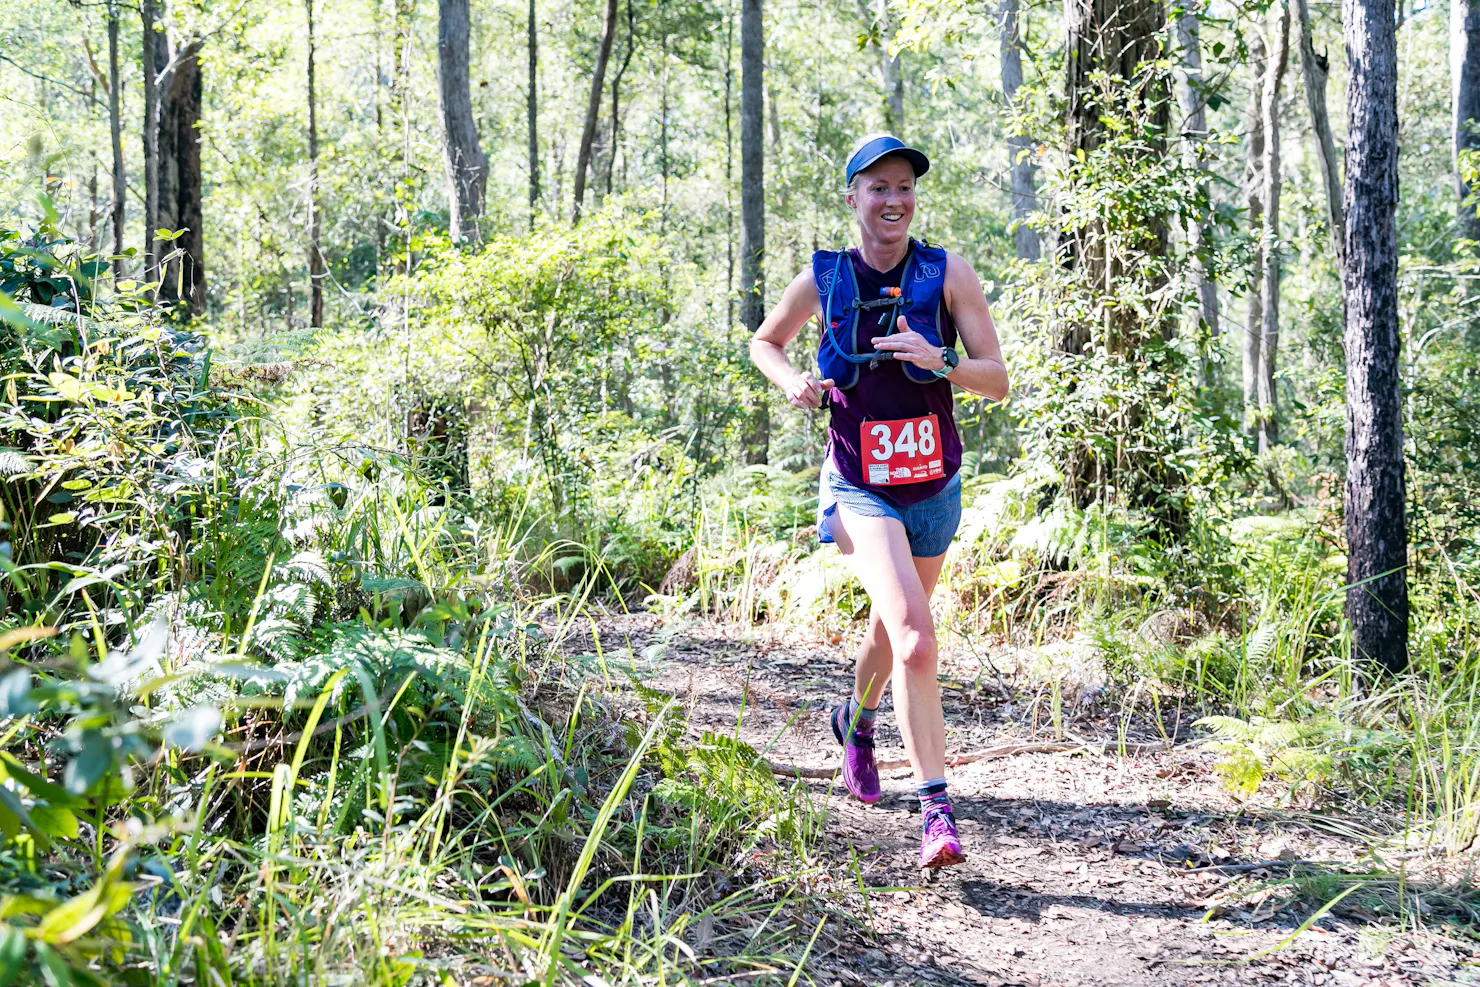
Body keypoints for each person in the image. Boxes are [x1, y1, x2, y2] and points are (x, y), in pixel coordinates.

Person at [749, 134, 1009, 869]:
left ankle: (855, 722)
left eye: (904, 187)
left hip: (934, 486)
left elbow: (997, 379)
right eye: (878, 187)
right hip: (859, 482)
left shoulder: (946, 272)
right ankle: (937, 812)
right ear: (852, 197)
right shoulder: (826, 277)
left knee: (897, 632)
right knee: (918, 636)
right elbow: (764, 342)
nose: (893, 200)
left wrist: (943, 359)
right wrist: (793, 380)